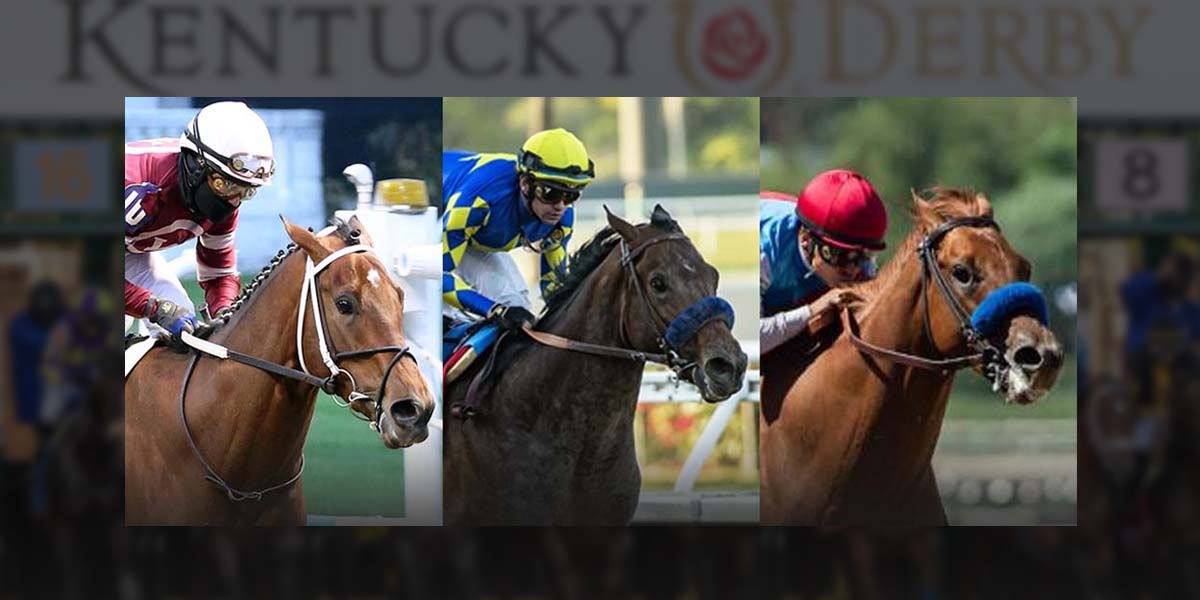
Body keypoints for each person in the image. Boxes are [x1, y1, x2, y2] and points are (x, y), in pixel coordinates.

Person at [124, 101, 275, 342]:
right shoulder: (134, 180)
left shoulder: (225, 202)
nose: (234, 201)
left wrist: (226, 312)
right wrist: (152, 307)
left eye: (246, 191)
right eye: (225, 184)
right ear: (196, 166)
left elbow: (219, 274)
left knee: (183, 323)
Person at [441, 128, 593, 332]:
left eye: (571, 195)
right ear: (525, 184)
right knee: (442, 315)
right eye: (550, 193)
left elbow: (554, 288)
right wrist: (494, 310)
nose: (560, 206)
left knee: (516, 306)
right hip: (428, 221)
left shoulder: (562, 218)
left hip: (471, 235)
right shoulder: (478, 202)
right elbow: (437, 274)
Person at [760, 169, 888, 355]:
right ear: (806, 240)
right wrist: (812, 310)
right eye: (839, 255)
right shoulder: (765, 248)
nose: (852, 270)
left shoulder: (863, 266)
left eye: (863, 256)